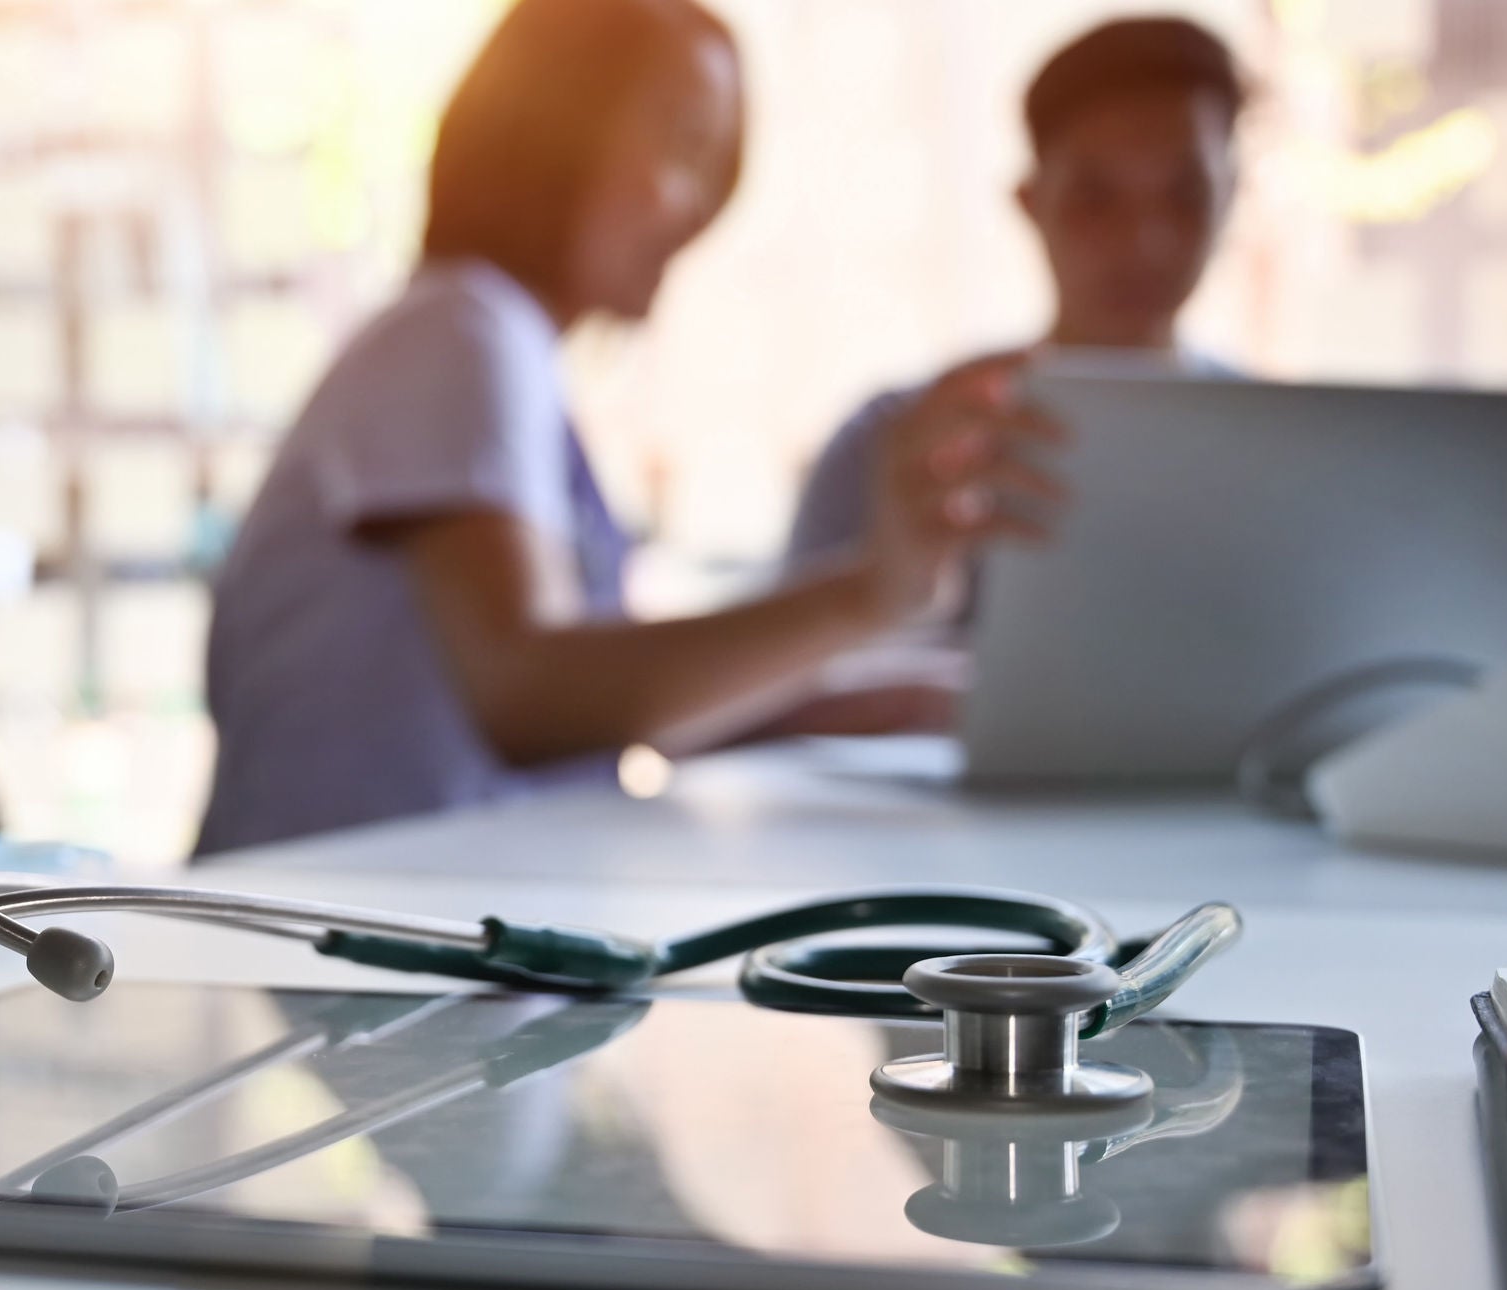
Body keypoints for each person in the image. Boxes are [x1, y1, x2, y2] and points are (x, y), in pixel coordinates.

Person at [194, 0, 1059, 855]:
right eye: (684, 149)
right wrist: (871, 591)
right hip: (328, 950)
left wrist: (905, 690)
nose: (699, 213)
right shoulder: (461, 328)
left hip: (378, 927)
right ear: (550, 129)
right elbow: (528, 697)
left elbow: (612, 709)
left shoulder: (487, 344)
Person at [788, 16, 1245, 577]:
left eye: (1185, 195)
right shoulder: (898, 452)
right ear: (1031, 202)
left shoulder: (1282, 452)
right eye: (1096, 198)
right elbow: (777, 666)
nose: (1143, 241)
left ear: (1230, 199)